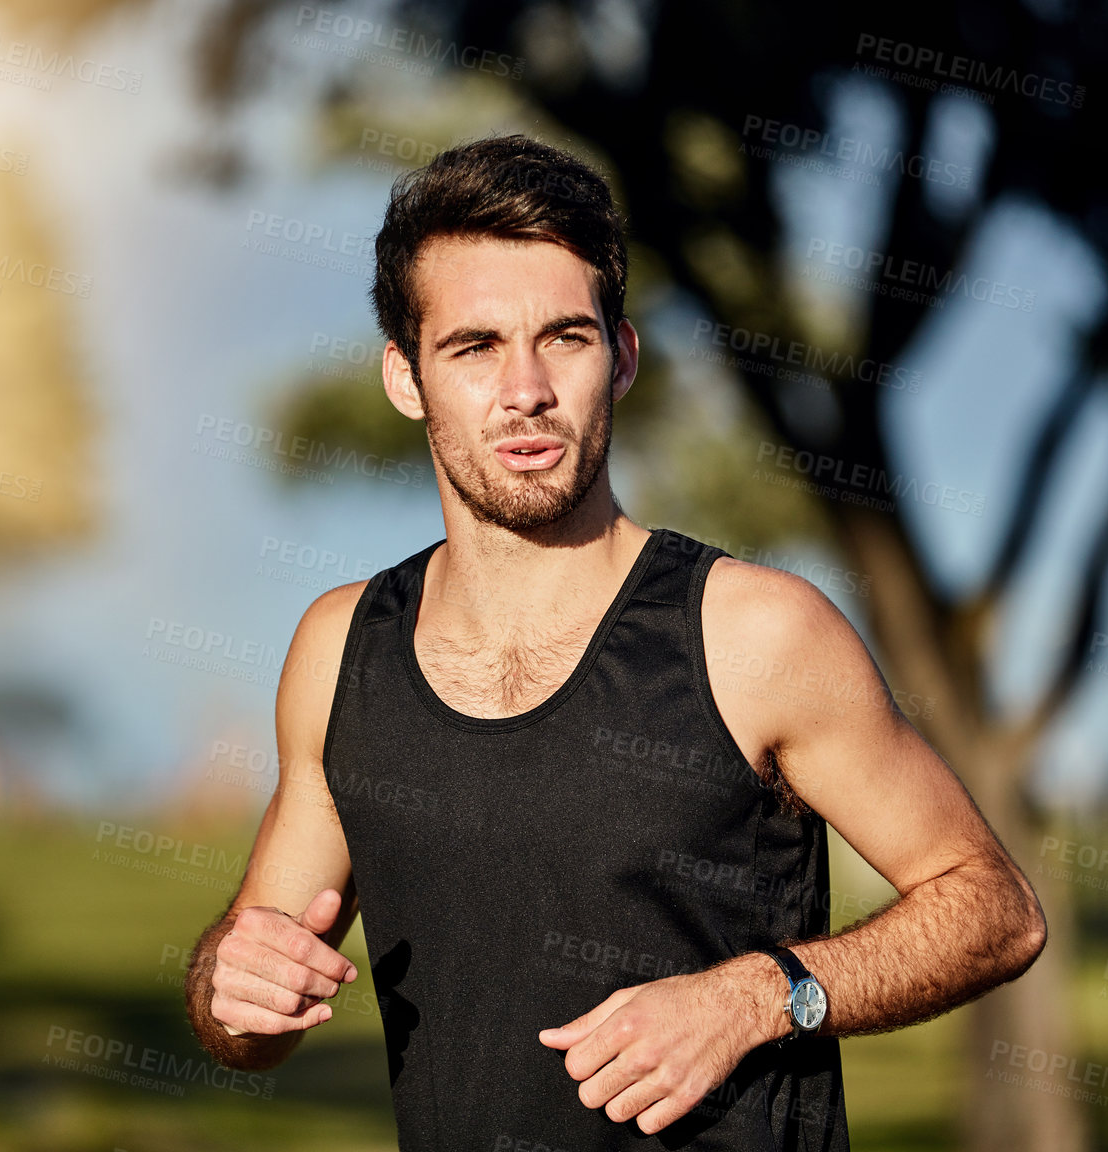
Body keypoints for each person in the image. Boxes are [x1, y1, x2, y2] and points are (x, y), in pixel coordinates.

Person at [183, 133, 1045, 1150]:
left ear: (622, 357)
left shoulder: (752, 631)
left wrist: (761, 998)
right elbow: (247, 1012)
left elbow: (994, 909)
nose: (526, 390)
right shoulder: (340, 650)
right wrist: (229, 986)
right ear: (406, 377)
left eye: (565, 338)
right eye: (474, 347)